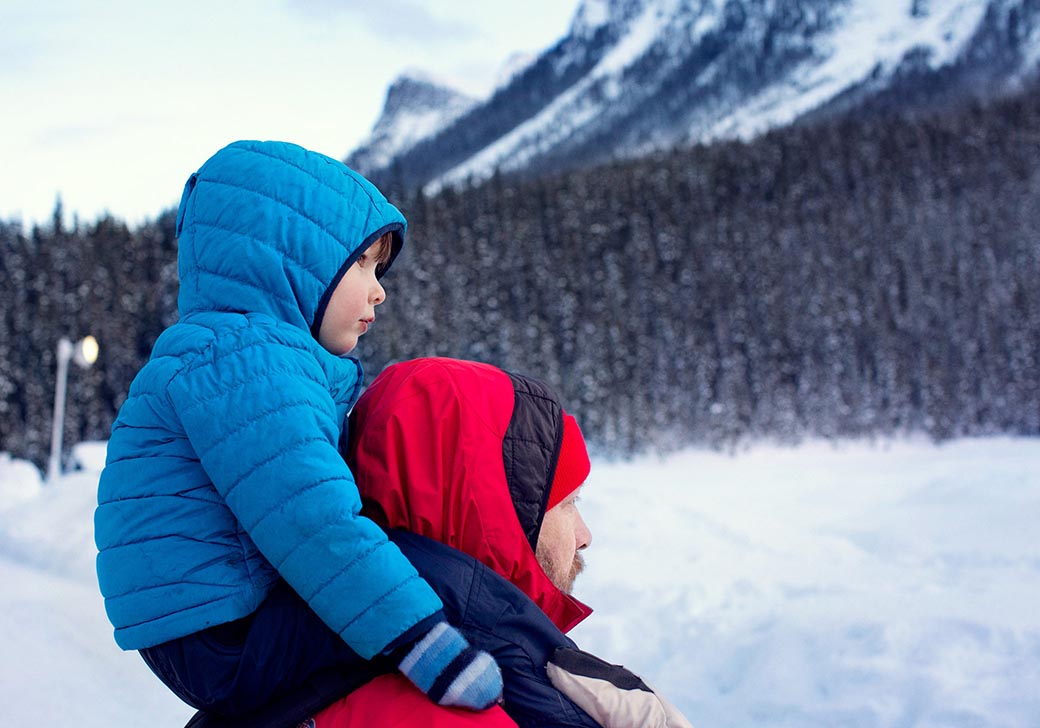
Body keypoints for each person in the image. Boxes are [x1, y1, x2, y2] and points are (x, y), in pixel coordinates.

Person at [93, 141, 502, 727]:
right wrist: (426, 643)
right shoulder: (248, 360)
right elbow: (313, 520)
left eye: (379, 269)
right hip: (223, 635)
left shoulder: (234, 352)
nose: (379, 289)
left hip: (210, 623)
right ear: (288, 262)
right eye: (360, 264)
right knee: (445, 584)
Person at [304, 357, 692, 727]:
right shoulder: (453, 712)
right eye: (569, 503)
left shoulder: (338, 664)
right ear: (490, 515)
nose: (584, 536)